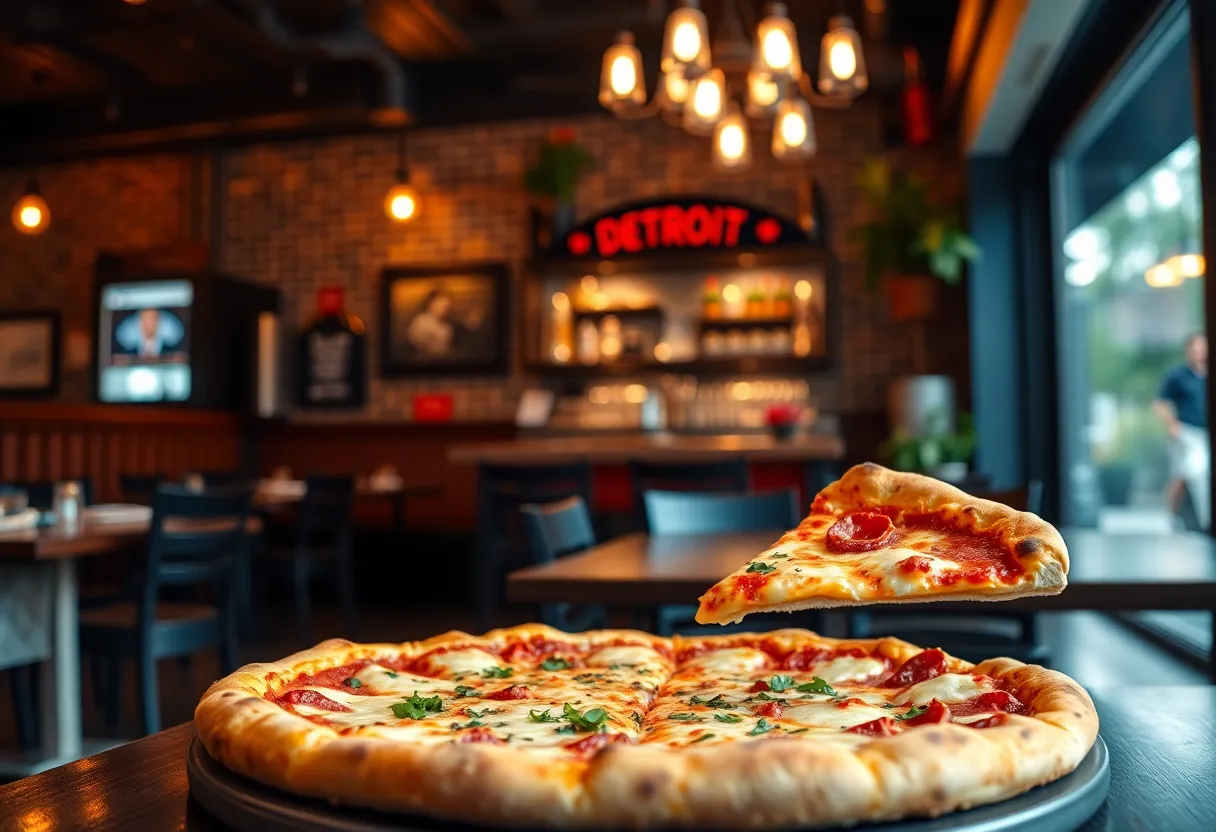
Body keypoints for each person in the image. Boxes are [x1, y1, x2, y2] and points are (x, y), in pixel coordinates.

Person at [1154, 332, 1209, 529]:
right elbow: (1160, 403)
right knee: (1188, 473)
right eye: (1194, 349)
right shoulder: (1178, 376)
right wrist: (1172, 424)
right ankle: (1178, 517)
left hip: (1206, 433)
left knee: (1192, 473)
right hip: (1187, 433)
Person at [407, 290, 455, 357]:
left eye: (446, 307)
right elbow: (416, 347)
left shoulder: (447, 326)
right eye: (441, 303)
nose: (445, 307)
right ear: (432, 303)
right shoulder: (420, 323)